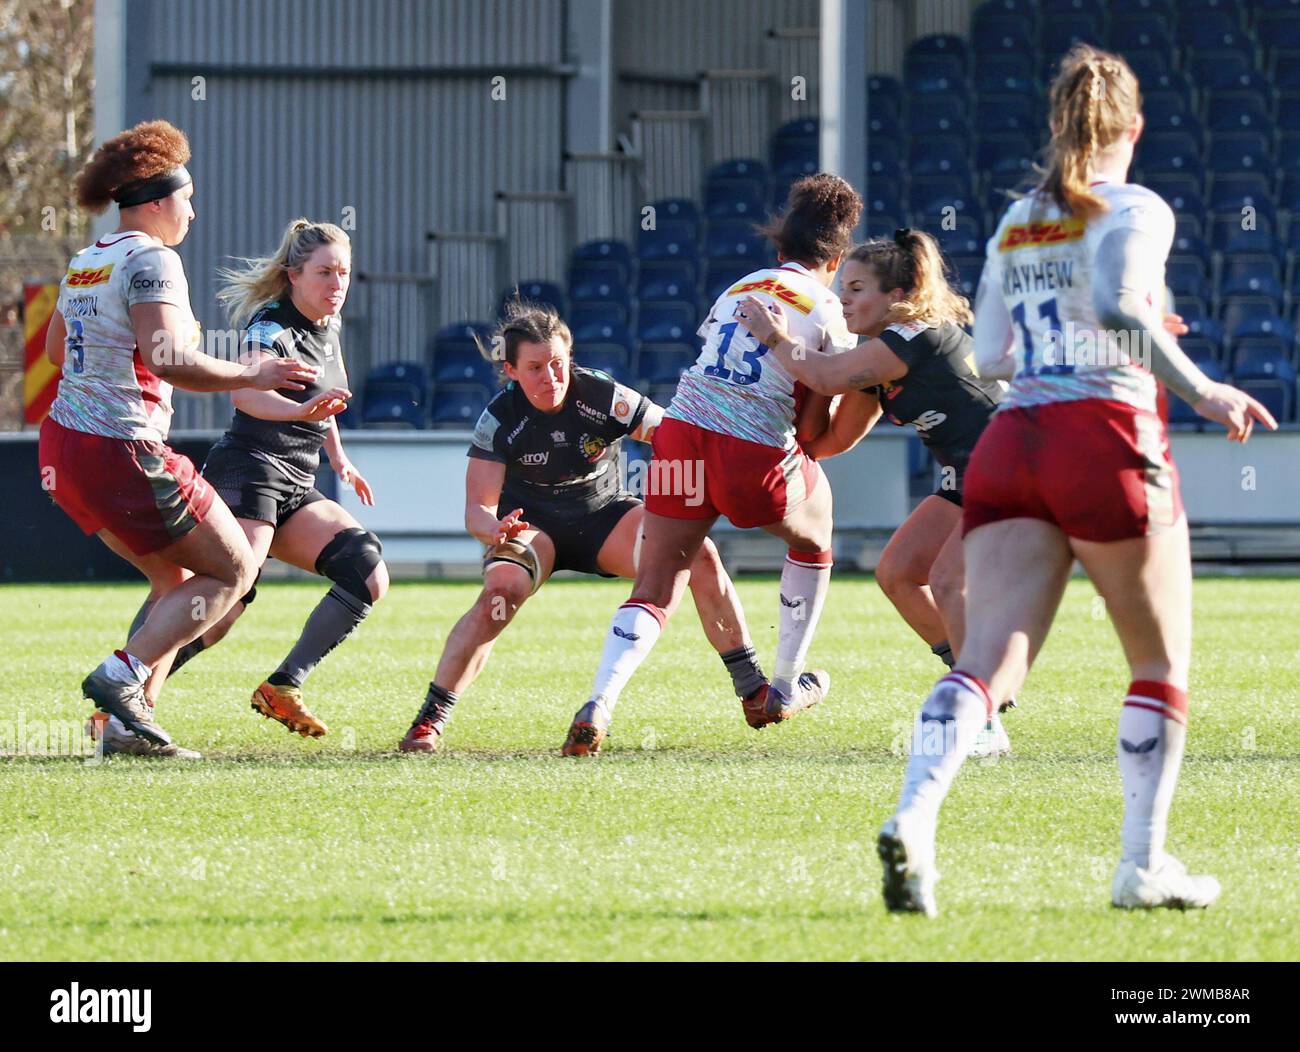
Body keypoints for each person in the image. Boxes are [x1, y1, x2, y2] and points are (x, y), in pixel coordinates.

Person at [872, 45, 1276, 916]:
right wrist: (1204, 388)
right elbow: (1124, 305)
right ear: (1134, 127)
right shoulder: (1135, 204)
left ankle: (913, 818)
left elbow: (989, 355)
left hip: (1014, 439)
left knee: (983, 658)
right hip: (1103, 434)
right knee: (1159, 661)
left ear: (1058, 123)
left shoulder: (1020, 217)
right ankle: (1141, 866)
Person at [38, 120, 317, 758]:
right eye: (188, 199)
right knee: (235, 569)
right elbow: (168, 359)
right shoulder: (152, 258)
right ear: (160, 201)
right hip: (121, 447)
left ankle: (126, 730)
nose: (193, 210)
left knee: (177, 579)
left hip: (63, 448)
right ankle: (121, 677)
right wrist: (253, 371)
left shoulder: (89, 259)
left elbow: (57, 350)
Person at [562, 173, 863, 756]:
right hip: (748, 451)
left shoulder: (740, 285)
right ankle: (782, 685)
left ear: (781, 247)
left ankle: (600, 701)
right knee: (816, 526)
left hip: (679, 434)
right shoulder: (829, 307)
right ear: (837, 256)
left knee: (654, 587)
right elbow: (812, 413)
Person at [398, 302, 763, 754]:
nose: (550, 377)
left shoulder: (601, 394)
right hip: (531, 527)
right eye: (534, 368)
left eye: (558, 364)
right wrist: (493, 531)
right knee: (500, 594)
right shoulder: (498, 419)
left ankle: (753, 688)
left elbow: (669, 432)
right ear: (510, 370)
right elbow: (477, 510)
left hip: (605, 516)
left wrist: (702, 475)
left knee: (700, 553)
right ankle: (429, 720)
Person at [737, 229, 1011, 755]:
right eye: (843, 286)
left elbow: (824, 374)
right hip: (968, 473)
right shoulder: (878, 357)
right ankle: (977, 680)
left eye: (857, 288)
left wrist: (776, 337)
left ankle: (982, 717)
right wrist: (781, 438)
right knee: (898, 572)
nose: (842, 298)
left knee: (949, 581)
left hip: (1010, 462)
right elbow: (836, 435)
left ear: (900, 296)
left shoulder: (913, 337)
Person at [117, 219, 385, 740]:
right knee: (219, 604)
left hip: (296, 483)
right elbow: (246, 395)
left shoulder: (328, 327)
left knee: (367, 570)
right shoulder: (271, 326)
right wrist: (304, 410)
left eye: (345, 273)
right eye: (325, 272)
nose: (337, 284)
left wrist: (340, 458)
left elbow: (323, 405)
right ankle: (127, 697)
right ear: (293, 276)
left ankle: (283, 686)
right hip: (251, 471)